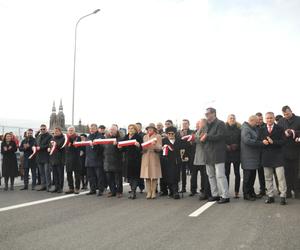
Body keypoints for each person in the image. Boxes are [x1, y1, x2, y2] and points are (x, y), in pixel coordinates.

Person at [201, 108, 230, 204]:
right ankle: (215, 195)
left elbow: (221, 136)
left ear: (214, 113)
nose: (207, 115)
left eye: (208, 114)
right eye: (206, 114)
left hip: (218, 154)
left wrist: (207, 137)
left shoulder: (220, 123)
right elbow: (200, 136)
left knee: (220, 175)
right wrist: (203, 137)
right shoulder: (205, 125)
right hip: (208, 153)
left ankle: (225, 196)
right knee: (211, 176)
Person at [260, 112, 287, 205]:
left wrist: (273, 142)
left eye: (271, 118)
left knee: (281, 178)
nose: (269, 120)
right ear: (265, 119)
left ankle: (283, 196)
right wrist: (262, 142)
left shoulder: (280, 128)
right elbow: (258, 141)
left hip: (278, 156)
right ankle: (270, 196)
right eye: (267, 118)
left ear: (274, 118)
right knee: (268, 178)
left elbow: (284, 141)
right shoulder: (261, 129)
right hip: (266, 157)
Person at [278, 105, 300, 199]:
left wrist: (294, 132)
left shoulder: (299, 119)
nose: (286, 115)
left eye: (287, 113)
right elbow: (278, 133)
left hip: (297, 149)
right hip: (285, 151)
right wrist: (285, 132)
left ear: (291, 111)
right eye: (284, 114)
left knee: (297, 172)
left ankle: (297, 191)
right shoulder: (281, 121)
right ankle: (288, 192)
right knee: (286, 173)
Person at [241, 115, 263, 201]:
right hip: (247, 157)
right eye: (256, 122)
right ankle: (246, 194)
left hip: (253, 158)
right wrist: (259, 142)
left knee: (252, 176)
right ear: (251, 120)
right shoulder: (246, 129)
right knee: (247, 178)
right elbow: (247, 140)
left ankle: (251, 192)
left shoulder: (253, 128)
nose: (258, 123)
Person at [121, 124, 143, 199]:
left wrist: (138, 146)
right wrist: (120, 147)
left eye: (132, 128)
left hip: (136, 159)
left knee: (135, 176)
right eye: (129, 128)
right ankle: (132, 189)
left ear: (135, 130)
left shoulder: (138, 137)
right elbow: (122, 150)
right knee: (129, 176)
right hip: (127, 160)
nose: (130, 130)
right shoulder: (126, 137)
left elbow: (142, 149)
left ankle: (133, 191)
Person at [141, 123, 162, 199]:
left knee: (154, 175)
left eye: (151, 128)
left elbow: (160, 147)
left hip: (154, 156)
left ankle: (153, 191)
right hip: (146, 156)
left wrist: (155, 145)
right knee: (147, 176)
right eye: (148, 128)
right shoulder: (144, 136)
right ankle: (148, 192)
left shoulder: (158, 136)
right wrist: (143, 147)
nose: (149, 129)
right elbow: (142, 147)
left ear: (154, 129)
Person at [191, 119, 211, 200]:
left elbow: (201, 139)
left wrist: (193, 137)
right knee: (203, 176)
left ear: (204, 123)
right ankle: (204, 191)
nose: (198, 124)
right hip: (199, 156)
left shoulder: (205, 129)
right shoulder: (200, 129)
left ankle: (205, 192)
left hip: (204, 156)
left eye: (200, 122)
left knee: (205, 176)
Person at [161, 126, 182, 199]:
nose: (170, 135)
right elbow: (161, 151)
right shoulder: (164, 141)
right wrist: (162, 148)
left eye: (172, 133)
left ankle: (175, 191)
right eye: (169, 133)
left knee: (175, 176)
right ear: (167, 134)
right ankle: (171, 191)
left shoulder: (179, 140)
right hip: (167, 161)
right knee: (168, 177)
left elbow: (182, 149)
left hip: (176, 161)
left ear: (175, 134)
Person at [85, 124, 105, 196]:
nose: (91, 129)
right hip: (89, 159)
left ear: (97, 129)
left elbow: (102, 148)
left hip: (97, 159)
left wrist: (95, 145)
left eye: (93, 128)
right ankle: (92, 189)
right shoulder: (88, 136)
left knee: (99, 176)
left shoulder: (100, 136)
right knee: (90, 176)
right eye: (91, 128)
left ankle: (100, 190)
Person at [103, 125, 123, 198]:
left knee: (117, 178)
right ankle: (112, 191)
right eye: (110, 129)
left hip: (117, 161)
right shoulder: (106, 139)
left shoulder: (120, 139)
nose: (111, 131)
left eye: (113, 130)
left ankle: (119, 191)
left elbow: (122, 150)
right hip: (107, 161)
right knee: (109, 178)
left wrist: (118, 145)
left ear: (116, 131)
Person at [225, 114, 241, 198]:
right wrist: (225, 146)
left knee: (237, 173)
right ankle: (226, 191)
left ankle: (236, 191)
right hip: (226, 154)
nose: (232, 119)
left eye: (233, 118)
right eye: (230, 118)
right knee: (226, 173)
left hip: (236, 153)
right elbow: (221, 140)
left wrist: (237, 145)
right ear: (227, 119)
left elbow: (241, 141)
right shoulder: (223, 129)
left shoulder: (238, 129)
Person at [65, 126, 82, 194]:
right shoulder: (66, 138)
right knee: (69, 174)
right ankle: (71, 188)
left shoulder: (77, 137)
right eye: (69, 130)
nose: (70, 131)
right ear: (67, 131)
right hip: (68, 158)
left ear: (74, 131)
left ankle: (77, 188)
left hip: (76, 158)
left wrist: (70, 141)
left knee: (77, 174)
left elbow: (77, 145)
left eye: (72, 130)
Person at [178, 119, 193, 193]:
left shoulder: (192, 132)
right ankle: (183, 188)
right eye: (183, 124)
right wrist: (181, 137)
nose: (184, 125)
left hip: (190, 154)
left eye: (186, 123)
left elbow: (191, 144)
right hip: (182, 154)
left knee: (192, 172)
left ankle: (193, 189)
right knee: (182, 172)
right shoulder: (178, 133)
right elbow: (178, 144)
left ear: (189, 124)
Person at [35, 124, 53, 191]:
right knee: (42, 173)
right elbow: (36, 144)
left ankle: (49, 186)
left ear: (46, 129)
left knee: (47, 172)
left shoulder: (50, 136)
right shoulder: (38, 136)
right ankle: (43, 185)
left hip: (46, 157)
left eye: (44, 129)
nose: (42, 130)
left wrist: (41, 147)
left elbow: (49, 145)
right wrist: (34, 147)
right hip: (39, 157)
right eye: (41, 129)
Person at [49, 127, 65, 193]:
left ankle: (60, 188)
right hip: (53, 159)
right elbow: (50, 145)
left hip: (60, 159)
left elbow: (60, 146)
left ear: (60, 132)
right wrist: (49, 148)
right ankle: (56, 187)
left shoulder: (63, 138)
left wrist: (54, 146)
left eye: (57, 131)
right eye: (55, 132)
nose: (55, 132)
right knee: (55, 174)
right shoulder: (53, 138)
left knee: (60, 174)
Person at [255, 112, 266, 198]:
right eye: (258, 119)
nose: (260, 121)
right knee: (261, 173)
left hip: (267, 152)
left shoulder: (266, 126)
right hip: (258, 154)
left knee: (271, 173)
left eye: (261, 119)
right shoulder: (254, 127)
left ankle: (279, 189)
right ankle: (262, 189)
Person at [136, 122, 145, 192]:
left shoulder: (143, 135)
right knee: (135, 172)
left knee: (140, 172)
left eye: (138, 126)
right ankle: (134, 187)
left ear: (141, 127)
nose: (136, 127)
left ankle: (141, 187)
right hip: (134, 155)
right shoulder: (133, 135)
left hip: (141, 155)